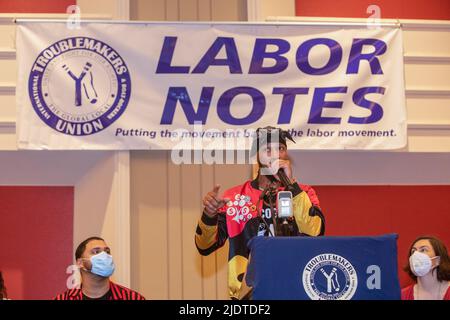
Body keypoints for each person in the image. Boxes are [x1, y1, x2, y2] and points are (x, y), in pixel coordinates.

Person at [195, 126, 325, 299]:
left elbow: (315, 232)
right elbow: (205, 246)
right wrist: (209, 216)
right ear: (257, 155)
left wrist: (291, 186)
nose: (275, 155)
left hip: (297, 288)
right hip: (251, 293)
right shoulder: (235, 196)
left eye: (280, 148)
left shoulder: (303, 193)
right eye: (267, 149)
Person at [55, 237, 145, 300]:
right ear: (80, 263)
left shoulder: (132, 298)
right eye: (96, 252)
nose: (104, 256)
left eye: (107, 251)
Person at [401, 235, 450, 300]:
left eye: (423, 250)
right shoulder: (402, 295)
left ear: (438, 260)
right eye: (413, 251)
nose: (416, 254)